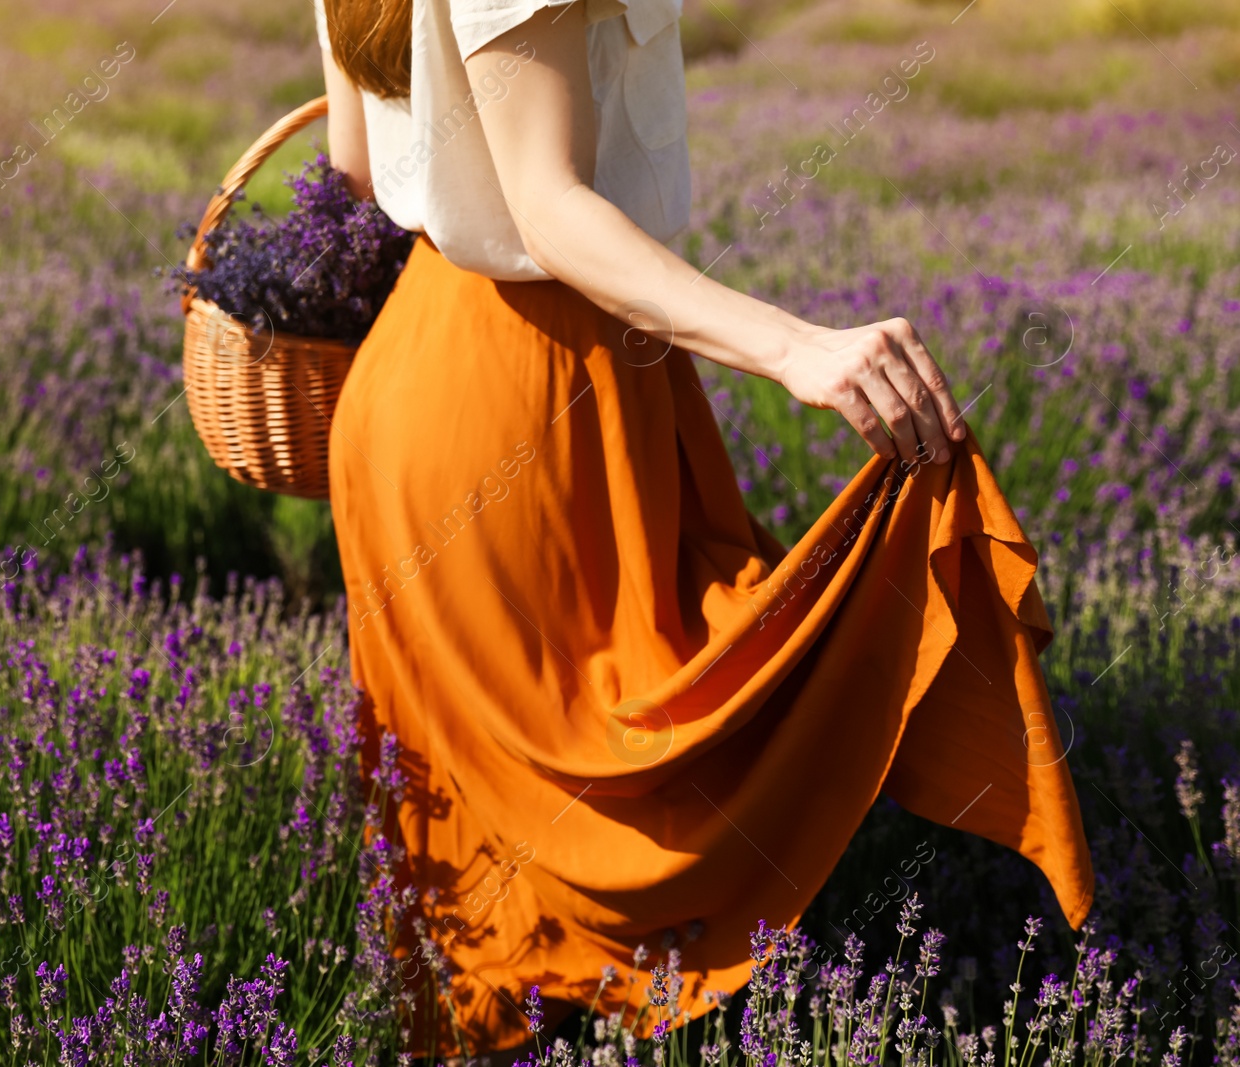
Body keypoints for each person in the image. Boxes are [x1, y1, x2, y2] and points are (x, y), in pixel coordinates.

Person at [313, 0, 1095, 1060]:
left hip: (412, 391)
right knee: (640, 777)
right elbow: (547, 211)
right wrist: (792, 347)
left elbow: (351, 170)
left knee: (485, 851)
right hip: (537, 403)